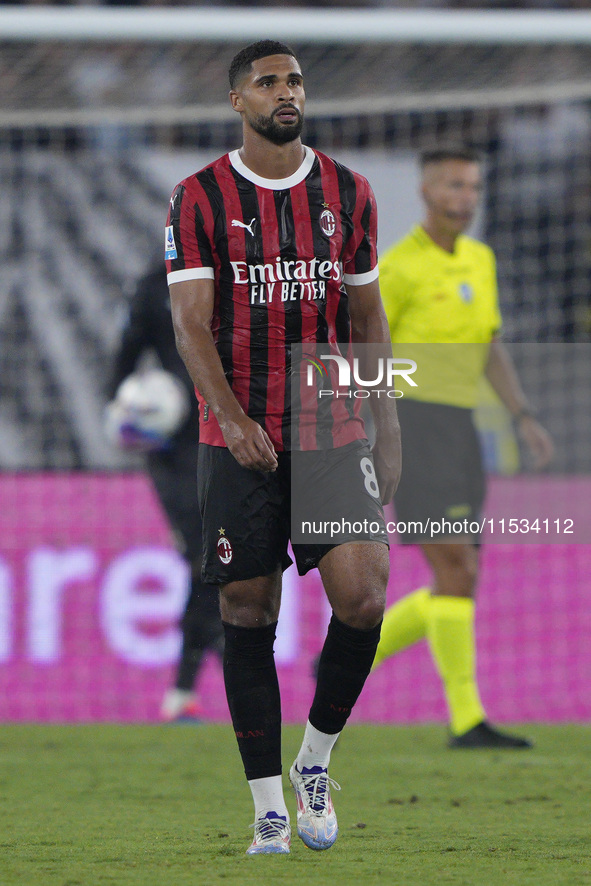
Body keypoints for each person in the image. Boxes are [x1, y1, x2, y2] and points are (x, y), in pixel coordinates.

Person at [165, 40, 401, 854]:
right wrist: (230, 419)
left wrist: (389, 418)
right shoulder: (197, 197)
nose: (285, 91)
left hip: (328, 423)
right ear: (239, 101)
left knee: (365, 596)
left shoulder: (349, 191)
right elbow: (190, 324)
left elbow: (367, 318)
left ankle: (314, 763)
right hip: (238, 430)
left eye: (294, 79)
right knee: (246, 610)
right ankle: (267, 804)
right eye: (267, 82)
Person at [373, 145, 554, 749]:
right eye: (453, 185)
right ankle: (467, 720)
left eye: (474, 187)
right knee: (456, 567)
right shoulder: (398, 268)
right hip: (414, 427)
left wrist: (522, 414)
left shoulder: (480, 259)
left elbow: (490, 346)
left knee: (461, 575)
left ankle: (349, 652)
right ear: (425, 191)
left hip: (463, 430)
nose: (465, 198)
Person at [107, 262, 224, 722]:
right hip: (175, 448)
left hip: (233, 438)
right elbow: (125, 356)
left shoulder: (241, 280)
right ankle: (194, 674)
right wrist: (121, 412)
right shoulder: (153, 286)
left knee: (228, 560)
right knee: (205, 557)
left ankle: (190, 680)